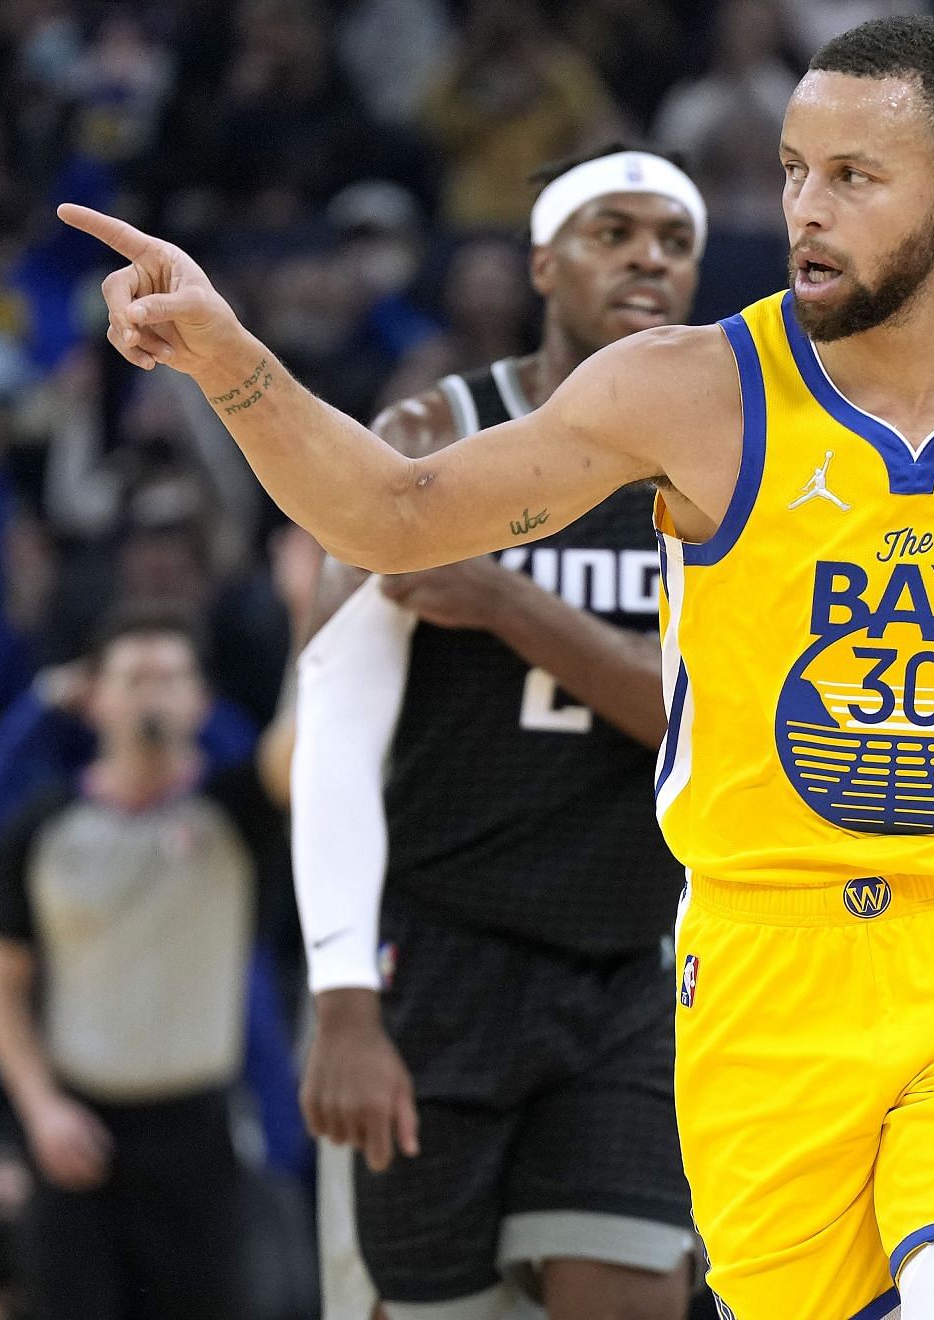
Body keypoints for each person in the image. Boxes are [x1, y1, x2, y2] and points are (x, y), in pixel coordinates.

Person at [62, 17, 934, 1318]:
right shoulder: (690, 390)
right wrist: (232, 364)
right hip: (760, 963)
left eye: (853, 175)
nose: (805, 210)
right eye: (791, 172)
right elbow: (396, 515)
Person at [292, 146, 705, 1320]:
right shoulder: (436, 434)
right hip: (441, 960)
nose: (648, 260)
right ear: (541, 261)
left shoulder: (714, 471)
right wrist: (343, 1006)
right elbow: (333, 716)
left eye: (673, 242)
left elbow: (704, 722)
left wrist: (503, 598)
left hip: (633, 961)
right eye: (614, 232)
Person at [0, 607, 288, 1320]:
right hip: (76, 1125)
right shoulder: (43, 827)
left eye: (173, 678)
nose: (154, 695)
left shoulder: (234, 812)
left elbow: (301, 746)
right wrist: (40, 1105)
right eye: (136, 677)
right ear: (94, 699)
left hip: (196, 1130)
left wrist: (307, 606)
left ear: (202, 702)